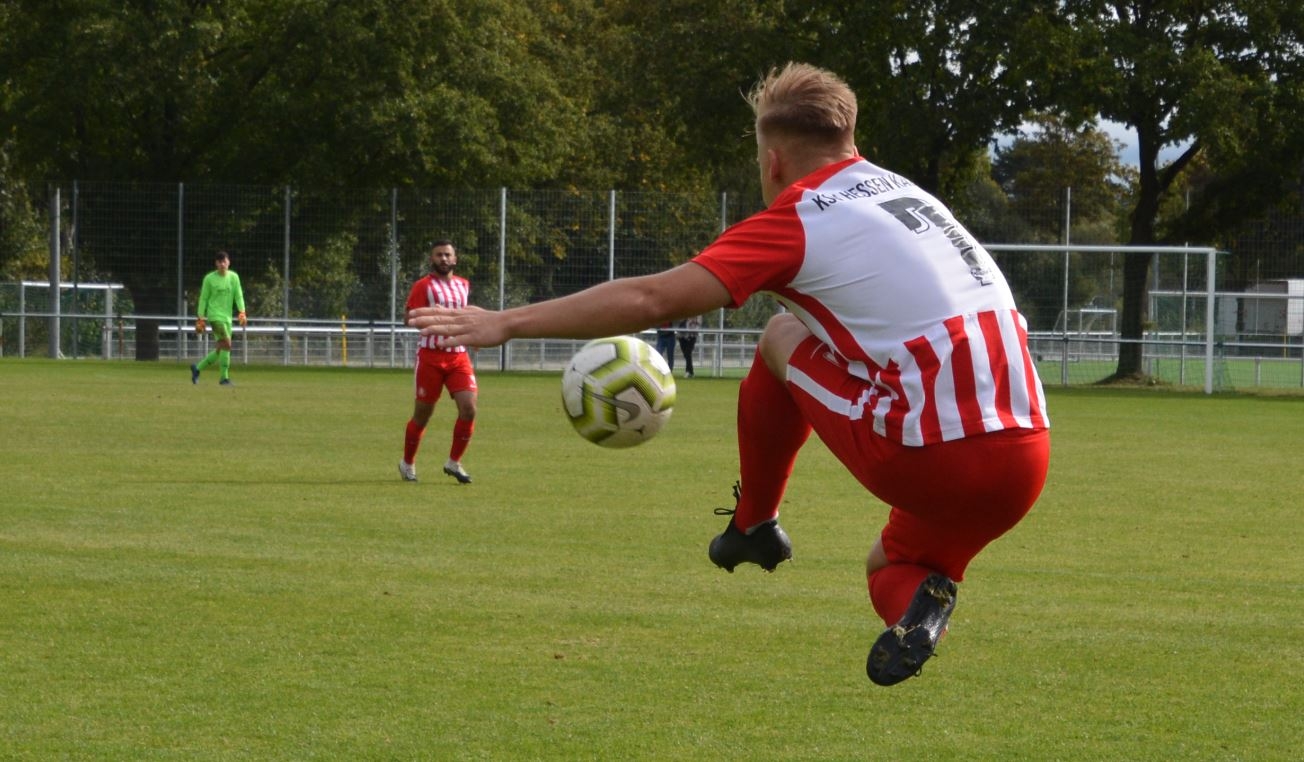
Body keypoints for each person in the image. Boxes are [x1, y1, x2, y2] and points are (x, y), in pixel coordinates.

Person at [406, 63, 1049, 686]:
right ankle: (924, 611)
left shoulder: (801, 217)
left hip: (931, 448)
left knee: (778, 337)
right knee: (894, 565)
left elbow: (653, 299)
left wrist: (507, 323)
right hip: (1026, 452)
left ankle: (754, 522)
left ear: (772, 161)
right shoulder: (908, 194)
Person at [399, 240, 477, 485]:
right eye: (439, 255)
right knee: (422, 415)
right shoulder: (423, 285)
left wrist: (470, 331)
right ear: (431, 259)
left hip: (458, 356)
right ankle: (407, 463)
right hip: (430, 357)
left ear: (455, 259)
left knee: (469, 409)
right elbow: (408, 318)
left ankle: (454, 462)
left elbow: (465, 316)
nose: (443, 259)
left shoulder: (464, 284)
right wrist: (435, 318)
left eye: (447, 255)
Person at [190, 250, 246, 386]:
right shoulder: (209, 279)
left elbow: (238, 295)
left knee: (221, 348)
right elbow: (203, 298)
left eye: (224, 261)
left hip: (227, 318)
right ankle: (224, 378)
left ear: (229, 262)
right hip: (215, 317)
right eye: (219, 262)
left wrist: (242, 311)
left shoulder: (234, 277)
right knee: (227, 344)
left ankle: (197, 368)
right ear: (216, 263)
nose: (222, 264)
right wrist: (201, 317)